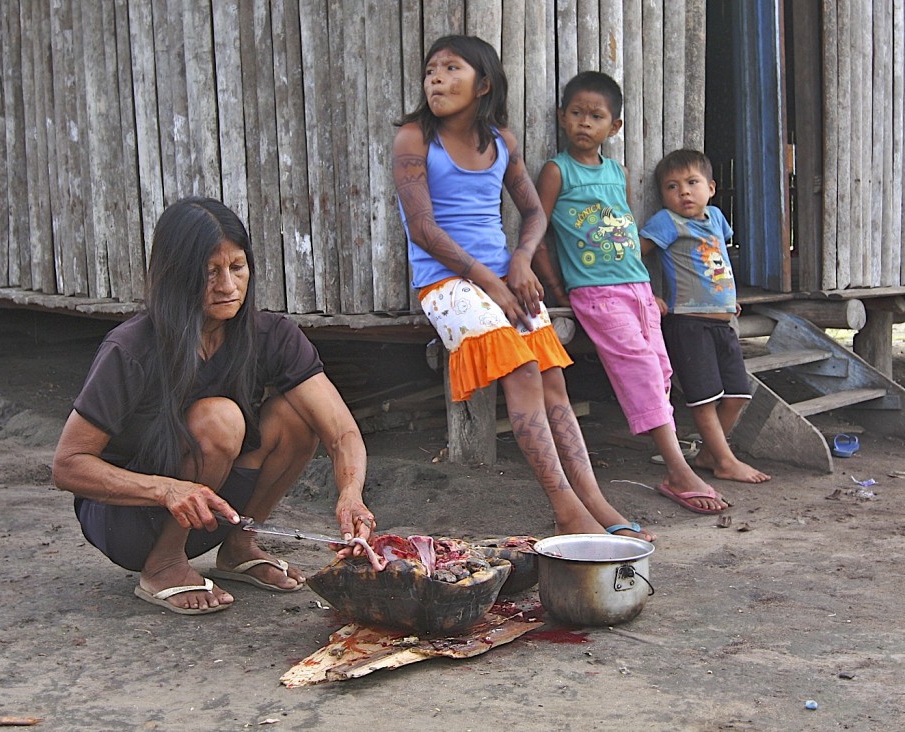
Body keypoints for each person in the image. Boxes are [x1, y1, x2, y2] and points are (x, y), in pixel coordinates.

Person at [52, 197, 376, 615]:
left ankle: (240, 546)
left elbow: (341, 431)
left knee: (297, 417)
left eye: (237, 267)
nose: (228, 285)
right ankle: (165, 565)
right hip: (129, 521)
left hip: (215, 512)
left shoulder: (272, 335)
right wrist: (166, 489)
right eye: (210, 273)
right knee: (219, 419)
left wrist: (351, 493)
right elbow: (67, 465)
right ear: (175, 276)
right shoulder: (131, 348)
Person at [393, 35, 653, 540]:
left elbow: (534, 212)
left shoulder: (501, 141)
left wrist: (520, 259)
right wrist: (492, 279)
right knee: (525, 366)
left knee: (553, 374)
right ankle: (565, 509)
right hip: (448, 282)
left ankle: (592, 498)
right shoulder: (413, 138)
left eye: (451, 69)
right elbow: (422, 227)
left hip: (503, 278)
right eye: (431, 71)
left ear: (483, 83)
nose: (436, 79)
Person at [534, 71, 730, 515]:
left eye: (597, 116)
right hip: (595, 292)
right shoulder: (555, 171)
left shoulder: (616, 172)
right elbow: (538, 232)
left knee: (660, 368)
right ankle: (680, 470)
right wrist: (557, 285)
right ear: (563, 118)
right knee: (641, 367)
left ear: (614, 127)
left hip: (636, 286)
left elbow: (621, 230)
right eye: (577, 114)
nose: (586, 123)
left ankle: (673, 467)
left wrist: (647, 288)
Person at [639, 149, 770, 484]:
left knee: (738, 393)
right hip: (687, 321)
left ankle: (710, 453)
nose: (683, 191)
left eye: (691, 182)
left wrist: (728, 297)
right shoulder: (667, 222)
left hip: (723, 320)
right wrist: (647, 293)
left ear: (711, 187)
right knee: (704, 397)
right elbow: (634, 255)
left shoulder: (715, 218)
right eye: (672, 186)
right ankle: (725, 461)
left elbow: (719, 259)